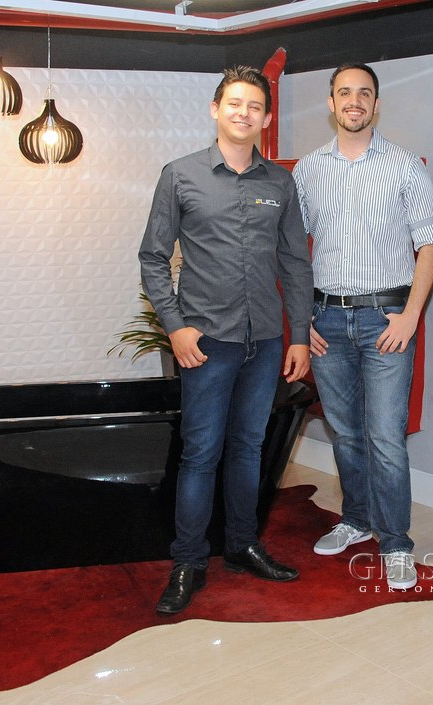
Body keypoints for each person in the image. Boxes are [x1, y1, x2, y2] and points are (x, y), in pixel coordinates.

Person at [139, 65, 313, 615]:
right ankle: (189, 562)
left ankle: (241, 545)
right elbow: (152, 257)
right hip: (206, 342)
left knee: (248, 449)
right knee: (200, 453)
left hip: (265, 341)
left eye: (255, 106)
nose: (244, 113)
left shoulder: (280, 183)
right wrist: (175, 325)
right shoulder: (180, 175)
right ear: (216, 109)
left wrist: (299, 336)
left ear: (266, 118)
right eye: (235, 103)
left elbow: (296, 263)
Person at [293, 62, 433, 590]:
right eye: (344, 93)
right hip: (326, 321)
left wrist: (412, 315)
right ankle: (356, 520)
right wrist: (301, 319)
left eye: (364, 93)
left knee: (385, 437)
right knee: (345, 432)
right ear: (331, 104)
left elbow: (431, 243)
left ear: (376, 105)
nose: (354, 101)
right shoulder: (308, 170)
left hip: (387, 321)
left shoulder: (404, 165)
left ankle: (396, 542)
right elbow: (292, 251)